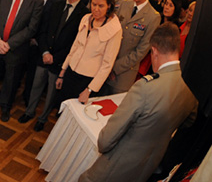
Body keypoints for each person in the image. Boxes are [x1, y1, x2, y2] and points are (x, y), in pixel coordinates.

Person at [79, 23, 198, 182]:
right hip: (147, 168)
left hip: (114, 169)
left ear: (154, 51)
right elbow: (188, 122)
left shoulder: (145, 87)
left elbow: (105, 141)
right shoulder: (190, 88)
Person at [19, 0, 90, 131]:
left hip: (60, 62)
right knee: (35, 86)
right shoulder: (55, 5)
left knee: (51, 92)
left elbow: (75, 44)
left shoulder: (85, 14)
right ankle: (29, 111)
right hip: (43, 55)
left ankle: (42, 118)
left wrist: (55, 58)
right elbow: (42, 30)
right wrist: (44, 51)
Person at [55, 0, 122, 105]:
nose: (96, 9)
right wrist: (62, 72)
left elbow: (107, 65)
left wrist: (89, 89)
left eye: (101, 6)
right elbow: (75, 47)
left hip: (88, 80)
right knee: (62, 108)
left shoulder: (114, 29)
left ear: (109, 6)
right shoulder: (86, 18)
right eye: (93, 4)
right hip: (71, 72)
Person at [107, 0, 161, 94]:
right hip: (106, 64)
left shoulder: (153, 17)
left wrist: (115, 67)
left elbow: (140, 52)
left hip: (123, 74)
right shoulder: (124, 3)